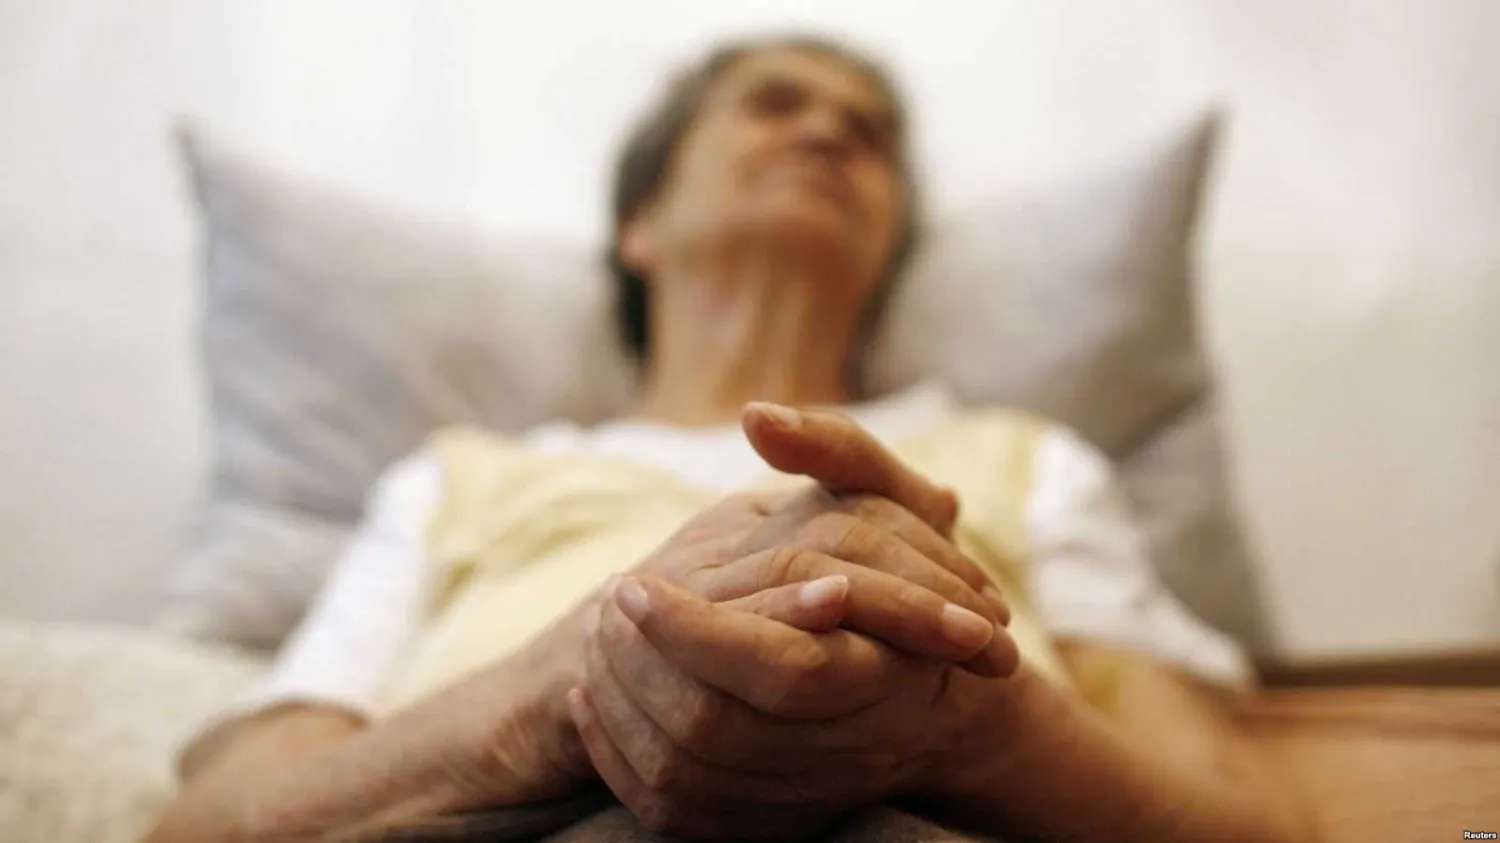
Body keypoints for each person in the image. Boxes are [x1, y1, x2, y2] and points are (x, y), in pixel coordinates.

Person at [145, 36, 1313, 843]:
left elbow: (1241, 816)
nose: (827, 133)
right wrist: (563, 694)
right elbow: (213, 823)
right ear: (642, 222)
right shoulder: (461, 475)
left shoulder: (1025, 455)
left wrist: (975, 728)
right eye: (773, 104)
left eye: (867, 133)